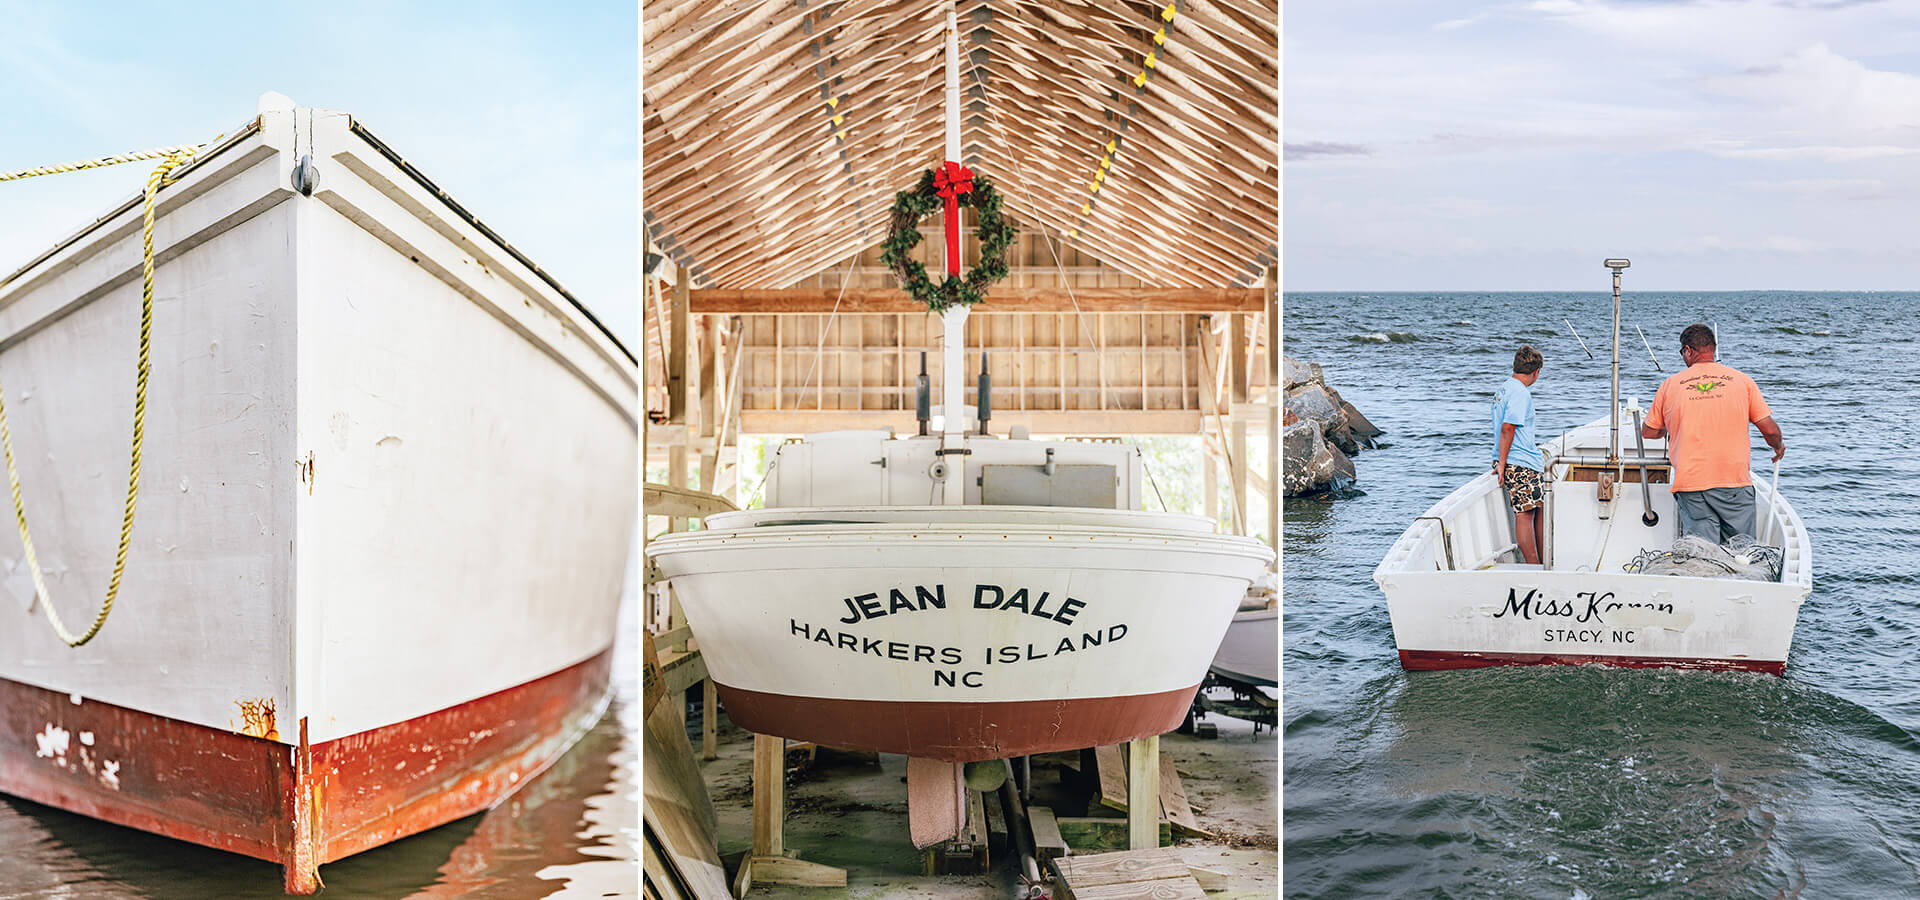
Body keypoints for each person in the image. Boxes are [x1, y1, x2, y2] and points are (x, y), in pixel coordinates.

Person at [1640, 323, 1785, 543]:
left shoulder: (1670, 385)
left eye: (1682, 353)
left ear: (1688, 350)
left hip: (1691, 484)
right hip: (1733, 482)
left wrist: (1672, 426)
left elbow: (1648, 432)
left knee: (1703, 552)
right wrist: (1777, 447)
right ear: (1712, 349)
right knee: (1741, 551)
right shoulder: (1742, 381)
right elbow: (1770, 429)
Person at [1492, 346, 1545, 564]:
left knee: (1535, 510)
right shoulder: (1520, 393)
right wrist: (1503, 463)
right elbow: (1508, 428)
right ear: (1536, 372)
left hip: (1517, 459)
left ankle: (1542, 562)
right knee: (1525, 514)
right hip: (1520, 461)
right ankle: (1534, 565)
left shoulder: (1504, 389)